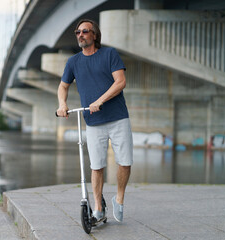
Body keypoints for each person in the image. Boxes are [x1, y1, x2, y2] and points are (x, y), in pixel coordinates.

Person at [56, 19, 133, 224]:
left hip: (118, 118)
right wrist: (62, 104)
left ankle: (119, 198)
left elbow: (121, 81)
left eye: (85, 31)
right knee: (96, 166)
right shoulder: (73, 62)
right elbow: (63, 86)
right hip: (93, 122)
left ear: (94, 35)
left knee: (124, 163)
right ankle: (98, 208)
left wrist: (99, 100)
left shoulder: (109, 54)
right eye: (77, 32)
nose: (80, 35)